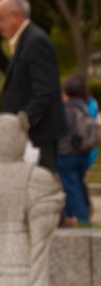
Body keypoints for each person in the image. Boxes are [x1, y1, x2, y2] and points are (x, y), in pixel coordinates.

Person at [0, 0, 67, 172]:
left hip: (38, 137)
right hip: (32, 136)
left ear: (16, 15)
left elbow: (44, 89)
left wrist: (23, 120)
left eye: (0, 18)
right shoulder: (27, 40)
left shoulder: (36, 41)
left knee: (41, 191)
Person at [57, 75, 94, 225]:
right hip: (83, 153)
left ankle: (80, 219)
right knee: (77, 184)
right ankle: (76, 215)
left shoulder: (66, 109)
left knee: (71, 188)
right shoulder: (85, 107)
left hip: (67, 154)